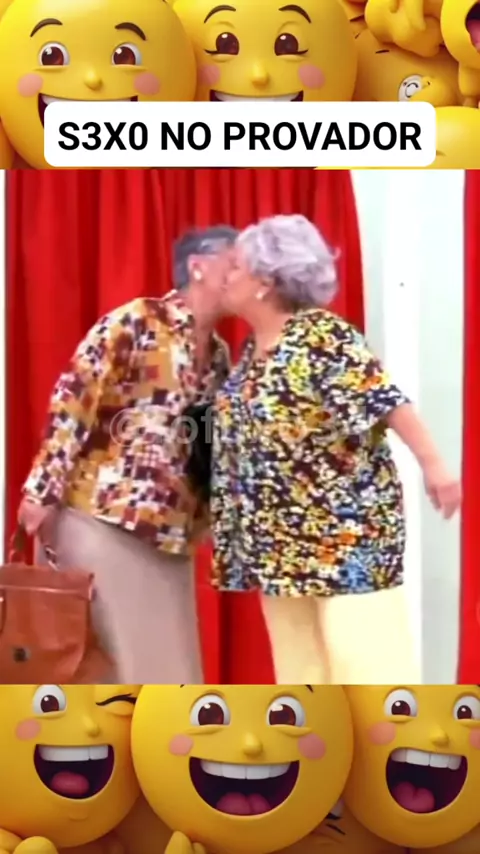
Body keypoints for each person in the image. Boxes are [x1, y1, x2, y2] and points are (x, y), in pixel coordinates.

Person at [211, 214, 461, 685]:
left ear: (265, 282)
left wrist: (436, 468)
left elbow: (386, 401)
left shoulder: (321, 337)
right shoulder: (250, 352)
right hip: (278, 545)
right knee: (301, 676)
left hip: (346, 538)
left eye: (237, 266)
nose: (227, 274)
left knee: (369, 672)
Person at [17, 225, 237, 684]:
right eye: (235, 263)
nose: (245, 275)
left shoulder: (217, 355)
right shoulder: (137, 321)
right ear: (199, 267)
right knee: (121, 672)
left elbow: (208, 448)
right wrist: (41, 491)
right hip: (103, 519)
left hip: (171, 535)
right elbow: (74, 398)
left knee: (169, 675)